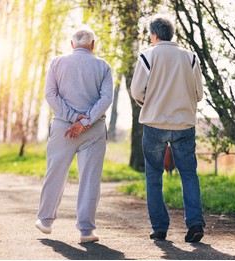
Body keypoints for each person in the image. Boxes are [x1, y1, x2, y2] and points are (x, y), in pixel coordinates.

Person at [130, 14, 205, 243]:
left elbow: (136, 92)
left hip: (154, 123)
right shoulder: (191, 57)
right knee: (189, 175)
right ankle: (194, 224)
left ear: (153, 35)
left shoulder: (147, 56)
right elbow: (199, 94)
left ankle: (160, 227)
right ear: (171, 34)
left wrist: (149, 103)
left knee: (154, 176)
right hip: (184, 124)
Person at [35, 26, 113, 243]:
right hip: (94, 129)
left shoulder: (57, 62)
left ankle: (45, 221)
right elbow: (106, 99)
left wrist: (72, 117)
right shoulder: (103, 66)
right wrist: (86, 120)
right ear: (93, 45)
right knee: (90, 179)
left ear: (72, 45)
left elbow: (50, 94)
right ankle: (86, 231)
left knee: (55, 172)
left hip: (62, 127)